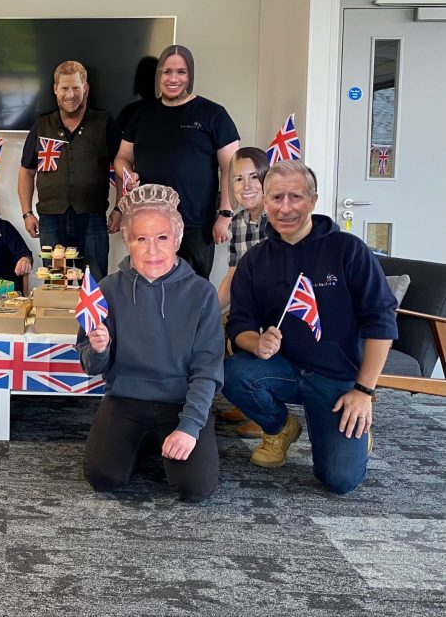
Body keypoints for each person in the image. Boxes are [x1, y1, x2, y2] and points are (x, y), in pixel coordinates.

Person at [224, 160, 398, 494]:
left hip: (339, 379)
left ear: (313, 201)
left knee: (339, 481)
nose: (285, 208)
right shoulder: (254, 260)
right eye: (276, 198)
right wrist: (255, 343)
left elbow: (381, 321)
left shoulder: (349, 250)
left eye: (295, 197)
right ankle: (280, 428)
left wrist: (364, 392)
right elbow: (240, 324)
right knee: (233, 372)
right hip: (283, 369)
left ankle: (358, 429)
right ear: (265, 198)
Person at [79, 184, 224, 502]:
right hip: (126, 399)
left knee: (195, 489)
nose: (152, 250)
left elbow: (207, 369)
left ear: (177, 239)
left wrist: (189, 426)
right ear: (128, 241)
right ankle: (142, 442)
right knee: (103, 477)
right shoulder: (106, 290)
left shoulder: (201, 294)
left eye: (162, 238)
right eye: (140, 239)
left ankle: (174, 437)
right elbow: (91, 365)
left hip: (180, 402)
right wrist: (99, 349)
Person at [114, 44, 240, 279]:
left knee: (192, 293)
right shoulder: (141, 115)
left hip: (195, 226)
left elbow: (232, 167)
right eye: (167, 71)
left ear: (190, 75)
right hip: (148, 226)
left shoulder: (214, 114)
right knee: (148, 291)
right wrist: (127, 173)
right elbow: (121, 159)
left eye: (181, 72)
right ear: (158, 75)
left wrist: (225, 214)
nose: (173, 78)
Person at [17, 60, 122, 281]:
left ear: (86, 88)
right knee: (54, 282)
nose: (70, 94)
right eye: (64, 88)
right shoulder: (41, 125)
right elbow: (27, 171)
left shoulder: (104, 122)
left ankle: (94, 318)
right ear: (55, 89)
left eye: (76, 87)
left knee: (95, 281)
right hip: (50, 218)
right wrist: (27, 213)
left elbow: (122, 165)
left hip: (92, 216)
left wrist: (120, 208)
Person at [215, 147, 271, 438]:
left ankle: (266, 417)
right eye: (238, 179)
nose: (246, 186)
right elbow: (233, 274)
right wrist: (209, 310)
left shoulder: (277, 219)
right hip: (248, 304)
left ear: (266, 179)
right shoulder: (237, 222)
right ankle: (247, 402)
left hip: (276, 307)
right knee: (218, 329)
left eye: (253, 177)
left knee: (249, 335)